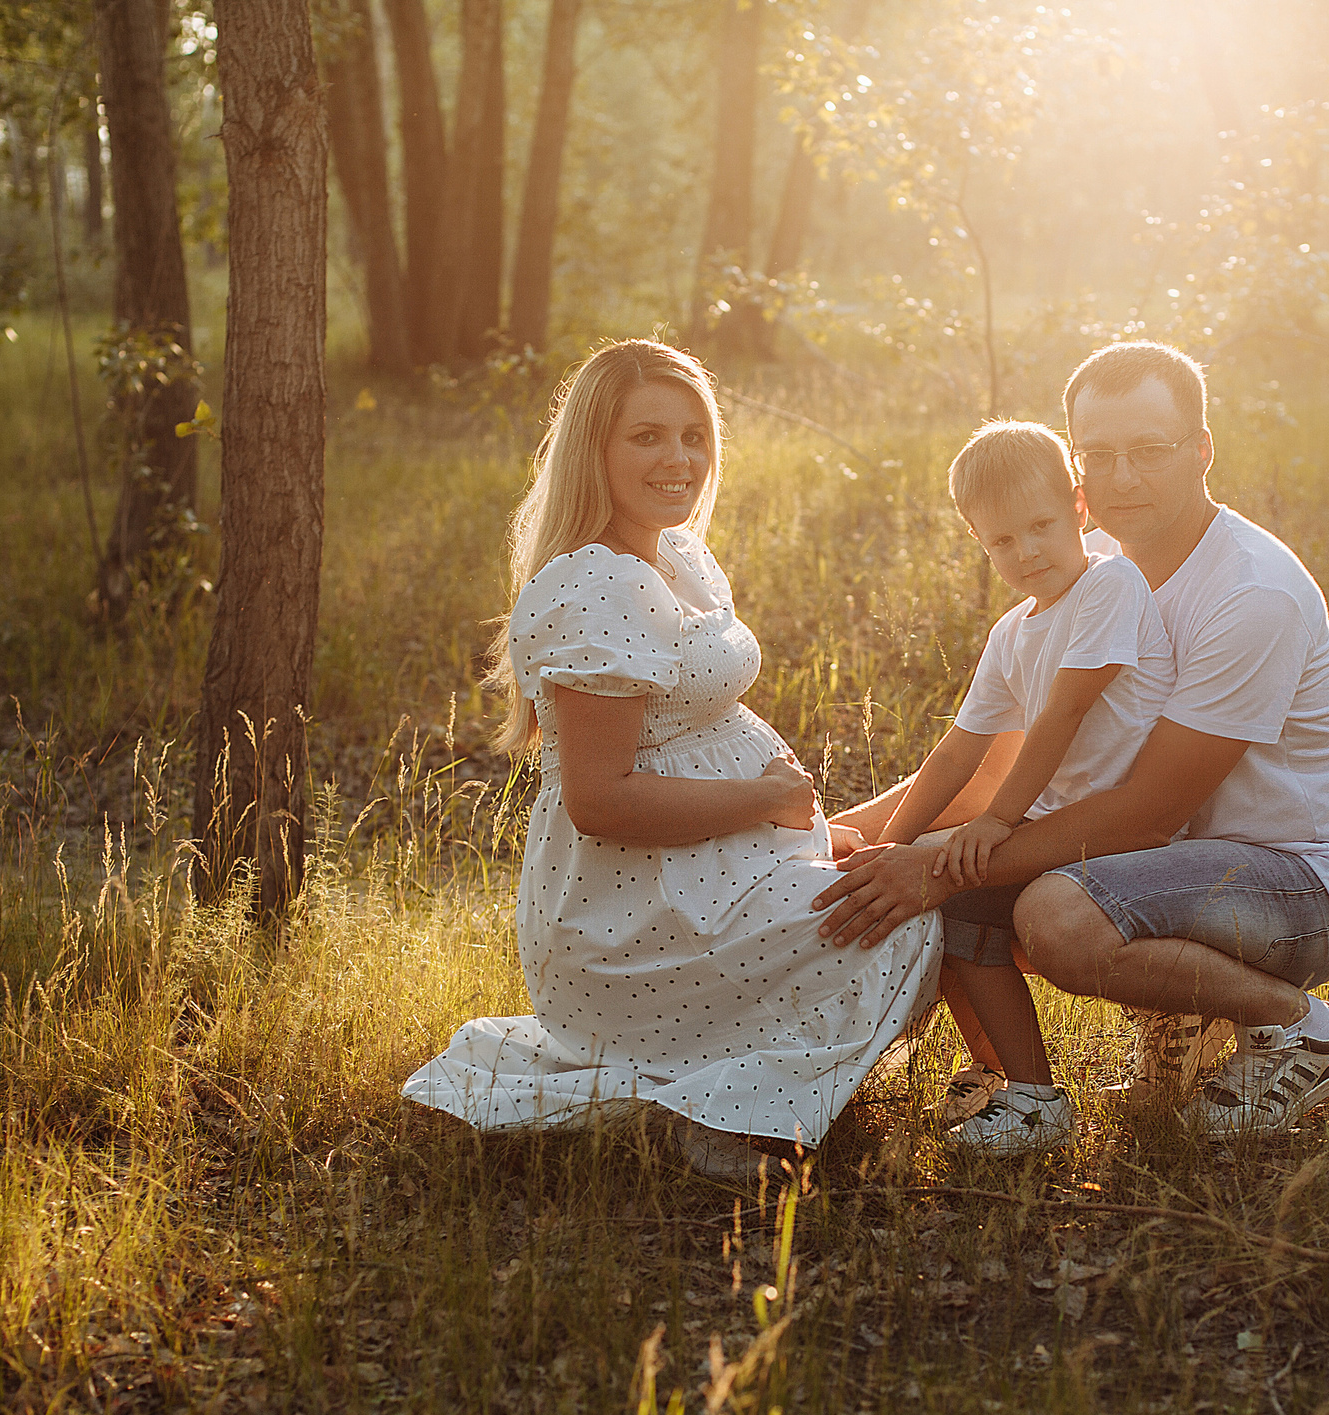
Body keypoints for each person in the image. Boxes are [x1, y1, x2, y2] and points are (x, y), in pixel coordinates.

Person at [820, 340, 1329, 1137]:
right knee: (961, 894)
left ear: (1202, 450)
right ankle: (1021, 1092)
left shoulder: (1251, 594)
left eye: (1150, 451)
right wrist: (847, 839)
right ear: (1075, 472)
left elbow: (1144, 816)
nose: (1123, 477)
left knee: (1056, 916)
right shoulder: (1078, 572)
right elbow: (989, 767)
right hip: (1180, 862)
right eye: (1099, 455)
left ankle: (1299, 1027)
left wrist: (938, 869)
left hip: (1303, 878)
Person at [402, 339, 942, 1178]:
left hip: (708, 878)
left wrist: (776, 824)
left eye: (694, 435)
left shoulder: (678, 554)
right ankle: (720, 1116)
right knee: (905, 915)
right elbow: (602, 801)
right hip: (630, 917)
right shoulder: (596, 587)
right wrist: (761, 804)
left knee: (893, 884)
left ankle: (725, 1088)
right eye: (647, 436)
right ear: (595, 448)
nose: (678, 458)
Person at [874, 421, 1171, 1155]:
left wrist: (998, 820)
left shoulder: (1110, 583)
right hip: (1053, 823)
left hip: (1121, 830)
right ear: (980, 542)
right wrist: (891, 845)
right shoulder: (1013, 630)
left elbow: (1066, 712)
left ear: (1079, 506)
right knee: (934, 886)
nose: (1027, 551)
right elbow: (956, 752)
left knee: (961, 885)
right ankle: (998, 1074)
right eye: (1003, 542)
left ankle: (1037, 1100)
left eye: (1040, 526)